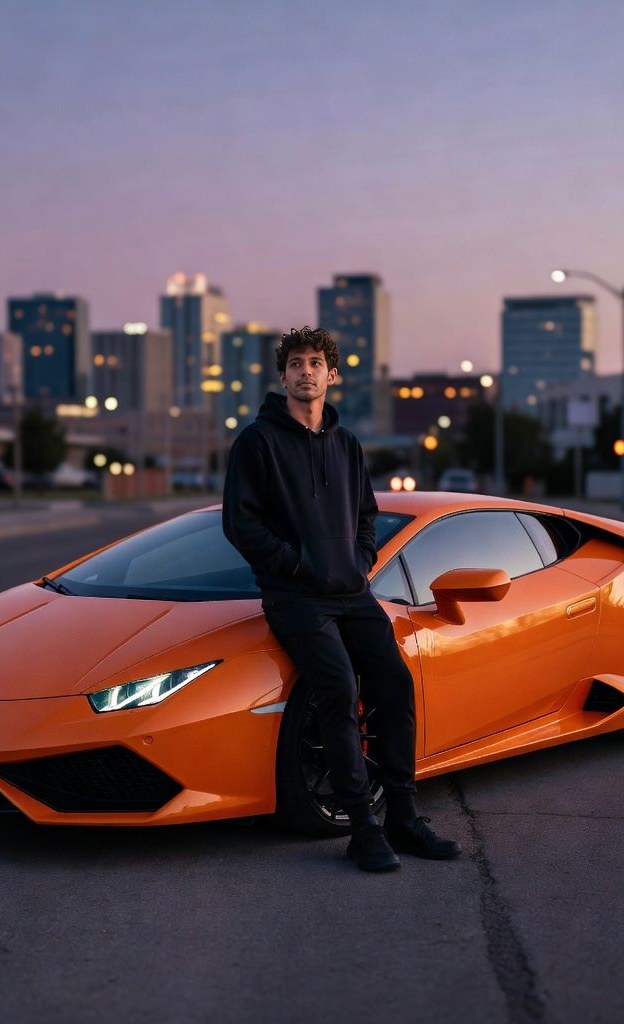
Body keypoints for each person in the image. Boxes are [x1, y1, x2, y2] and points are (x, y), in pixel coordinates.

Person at [222, 326, 462, 871]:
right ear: (282, 376)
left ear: (333, 375)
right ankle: (362, 827)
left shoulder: (347, 443)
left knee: (396, 684)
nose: (306, 371)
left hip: (353, 592)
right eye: (296, 363)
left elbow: (366, 515)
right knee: (336, 690)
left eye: (316, 362)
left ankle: (402, 817)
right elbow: (242, 524)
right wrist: (299, 564)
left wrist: (359, 560)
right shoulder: (257, 442)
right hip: (295, 598)